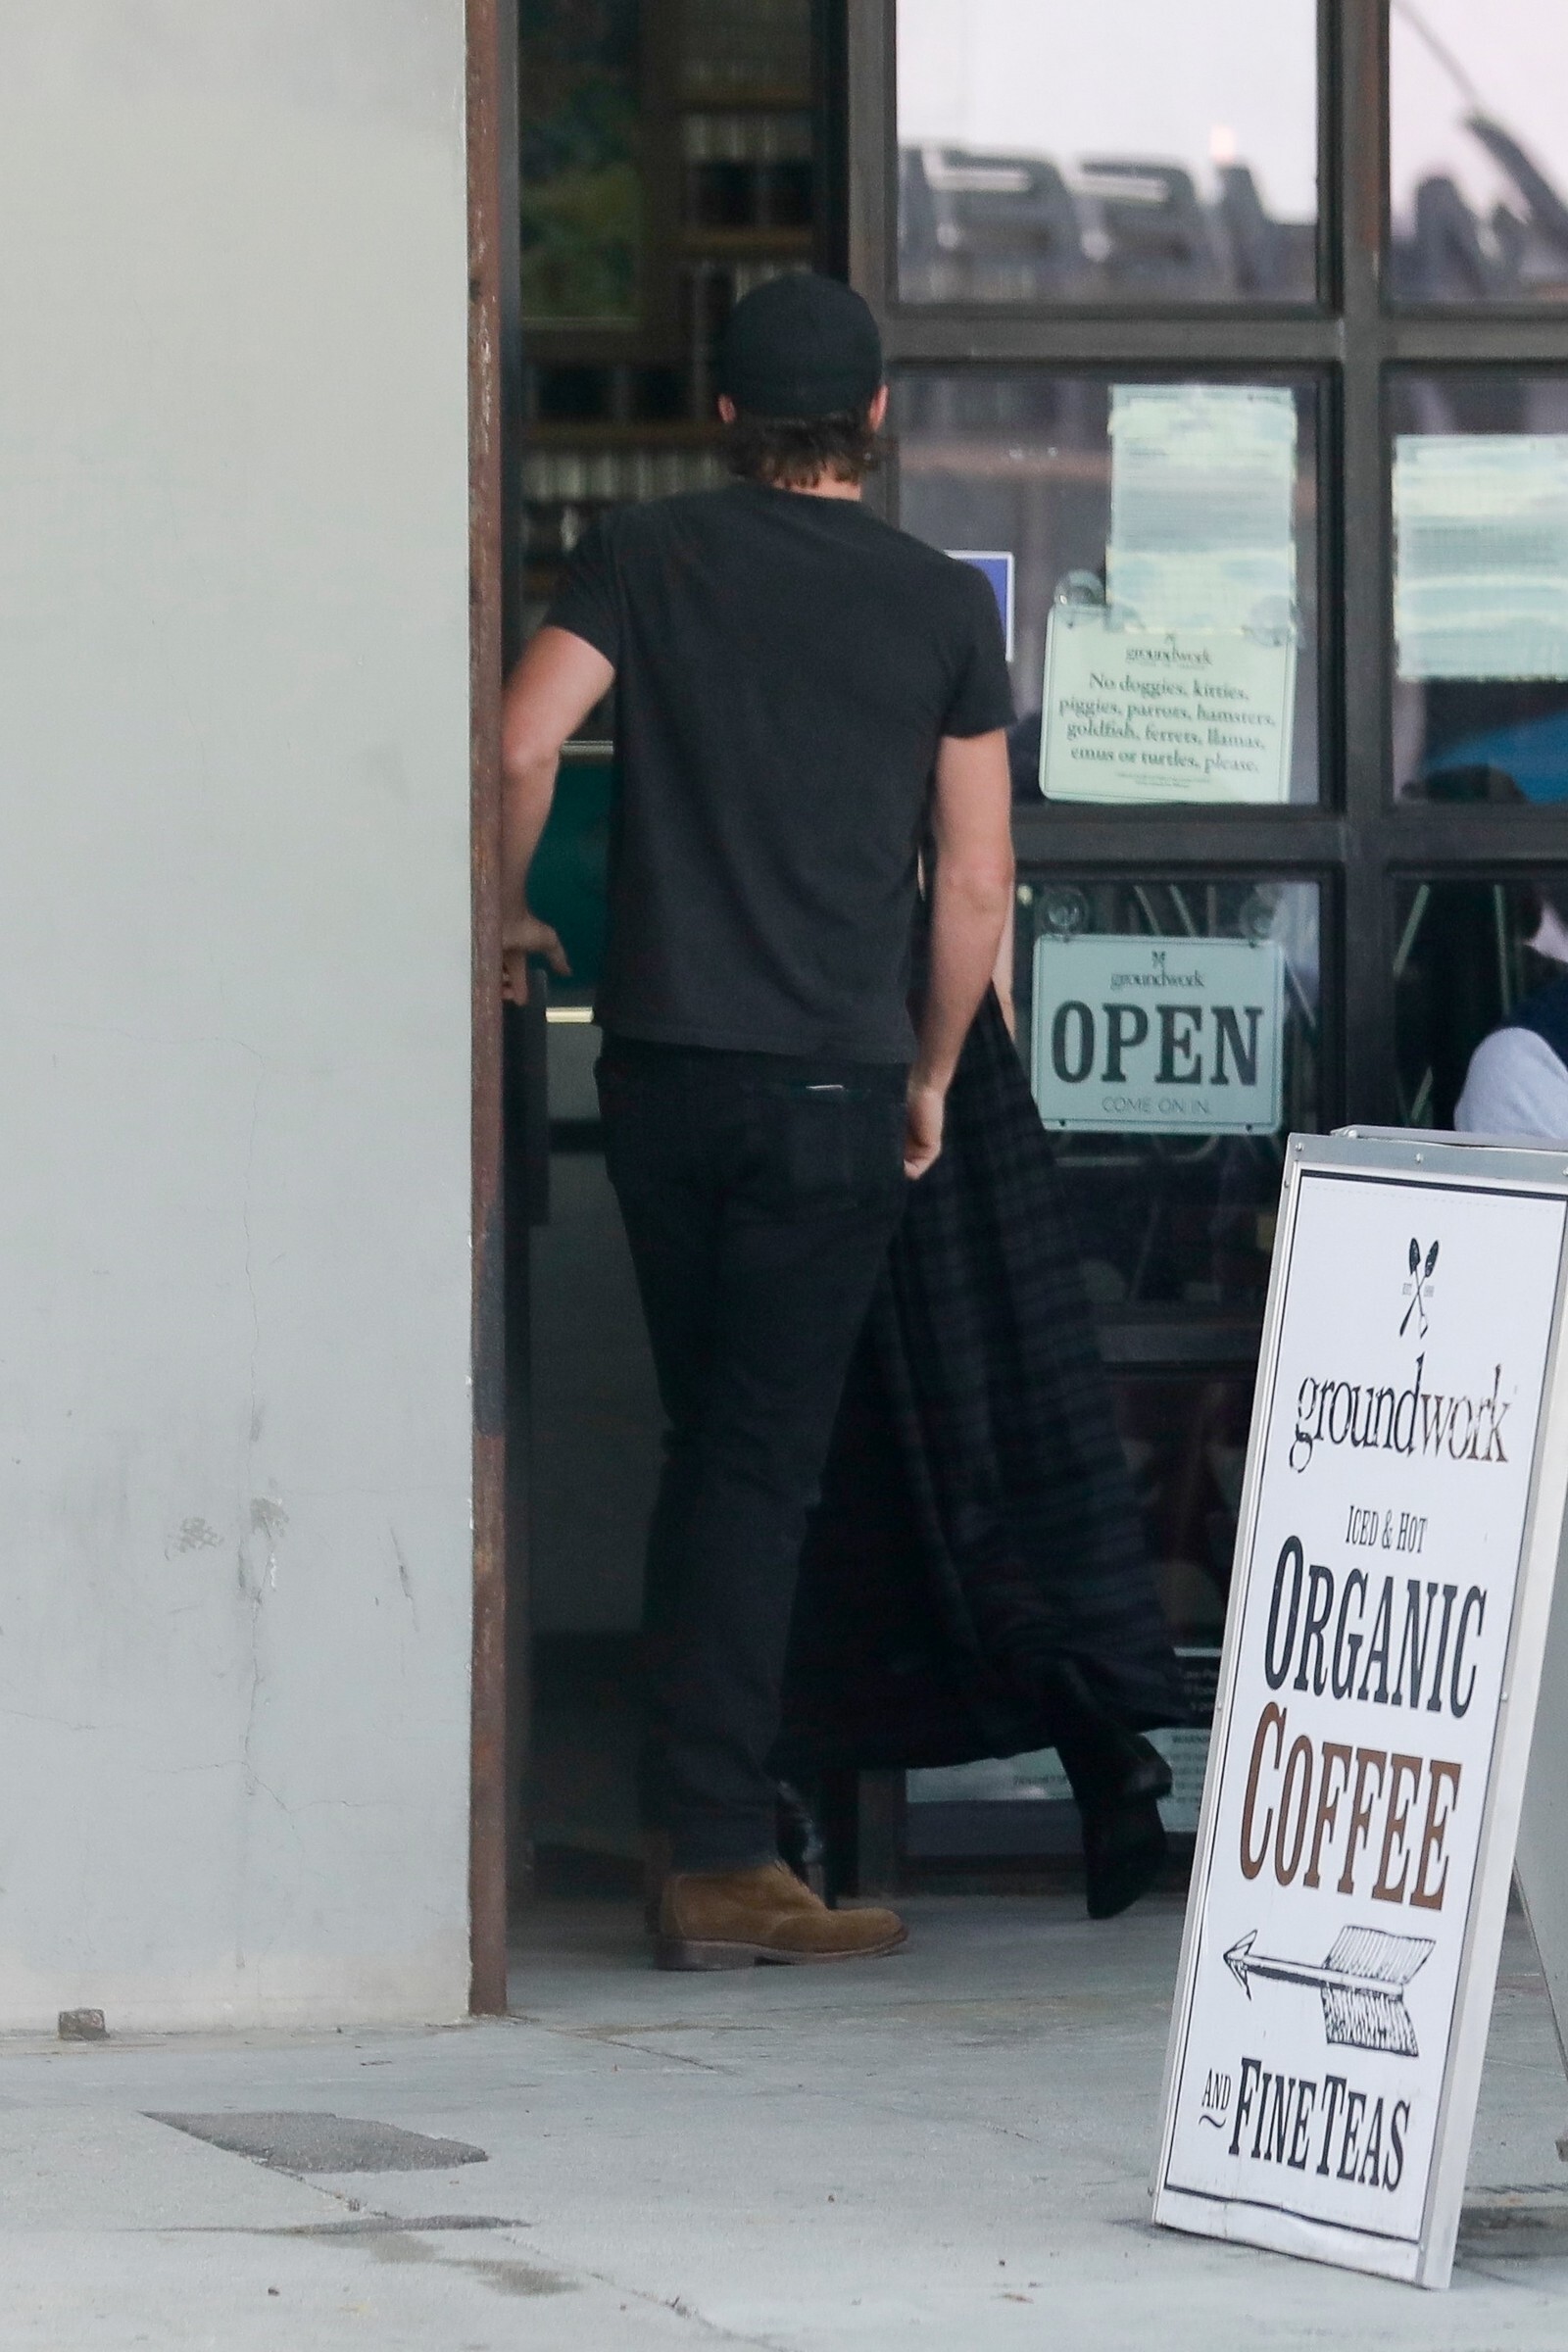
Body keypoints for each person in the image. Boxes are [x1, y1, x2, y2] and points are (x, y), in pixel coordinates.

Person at [500, 273, 1016, 1969]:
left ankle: (696, 1816)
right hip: (826, 1087)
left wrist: (502, 911)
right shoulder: (940, 601)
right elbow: (976, 882)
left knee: (711, 1444)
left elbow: (520, 747)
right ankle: (721, 1851)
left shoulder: (645, 554)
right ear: (875, 419)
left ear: (724, 415)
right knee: (756, 1462)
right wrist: (930, 1071)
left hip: (658, 1076)